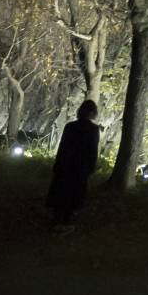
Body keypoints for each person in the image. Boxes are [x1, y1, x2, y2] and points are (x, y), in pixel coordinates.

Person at [46, 99, 101, 234]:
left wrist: (58, 164)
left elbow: (63, 147)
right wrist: (91, 167)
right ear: (93, 113)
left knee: (61, 192)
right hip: (80, 166)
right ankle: (67, 222)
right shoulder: (93, 129)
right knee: (74, 194)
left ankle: (57, 221)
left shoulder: (70, 126)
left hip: (66, 164)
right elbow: (92, 150)